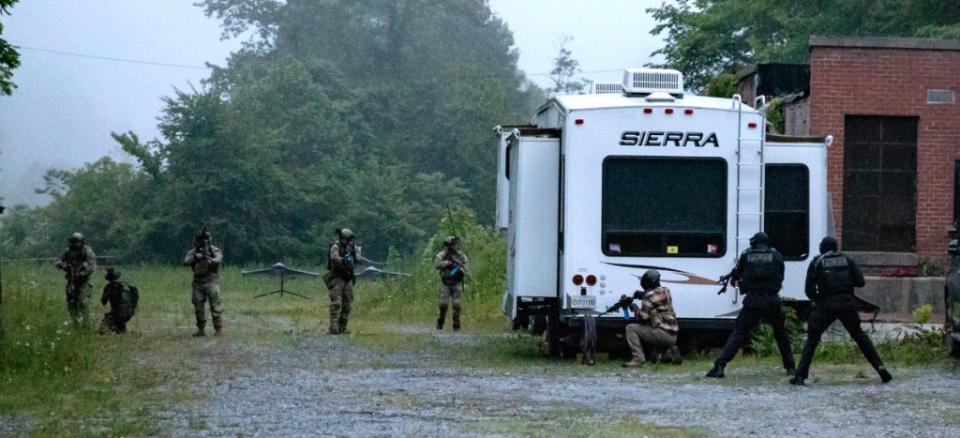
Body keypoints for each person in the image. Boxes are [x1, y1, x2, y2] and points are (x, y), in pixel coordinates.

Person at [791, 237, 892, 385]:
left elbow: (808, 290)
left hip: (826, 304)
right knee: (860, 337)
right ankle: (881, 368)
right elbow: (860, 282)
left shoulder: (817, 262)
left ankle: (800, 375)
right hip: (847, 304)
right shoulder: (847, 260)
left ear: (822, 248)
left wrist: (820, 300)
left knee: (812, 339)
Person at [707, 232, 795, 378]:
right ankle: (791, 367)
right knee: (781, 335)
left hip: (752, 301)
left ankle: (720, 365)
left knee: (738, 333)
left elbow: (737, 275)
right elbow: (781, 276)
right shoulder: (777, 256)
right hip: (772, 301)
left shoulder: (746, 255)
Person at [623, 270, 681, 367]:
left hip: (661, 334)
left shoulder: (648, 297)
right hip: (673, 336)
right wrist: (643, 295)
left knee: (630, 328)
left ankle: (638, 359)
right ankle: (670, 353)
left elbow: (643, 318)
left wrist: (635, 308)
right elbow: (655, 298)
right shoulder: (666, 290)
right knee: (654, 358)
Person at [183, 228, 224, 337]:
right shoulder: (194, 251)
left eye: (205, 240)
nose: (203, 242)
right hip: (198, 283)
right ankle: (201, 329)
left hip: (211, 281)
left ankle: (218, 329)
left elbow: (219, 259)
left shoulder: (214, 250)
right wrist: (196, 257)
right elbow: (186, 262)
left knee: (215, 306)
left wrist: (210, 259)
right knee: (198, 307)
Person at [54, 232, 97, 327]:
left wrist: (82, 273)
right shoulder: (67, 251)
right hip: (71, 281)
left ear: (82, 242)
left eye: (78, 242)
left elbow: (92, 266)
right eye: (75, 242)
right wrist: (64, 266)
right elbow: (58, 261)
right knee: (72, 303)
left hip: (83, 281)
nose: (76, 244)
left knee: (83, 302)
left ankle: (86, 325)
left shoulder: (87, 251)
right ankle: (75, 324)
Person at [324, 228, 361, 335]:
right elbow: (334, 258)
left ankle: (342, 327)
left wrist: (356, 256)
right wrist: (343, 259)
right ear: (342, 238)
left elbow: (359, 259)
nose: (349, 241)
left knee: (347, 303)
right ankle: (333, 328)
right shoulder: (335, 246)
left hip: (348, 278)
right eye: (347, 239)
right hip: (337, 277)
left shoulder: (353, 247)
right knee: (336, 302)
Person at [434, 236, 469, 331]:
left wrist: (458, 269)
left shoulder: (461, 256)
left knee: (457, 305)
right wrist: (447, 264)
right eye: (449, 246)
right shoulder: (442, 255)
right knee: (443, 304)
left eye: (453, 245)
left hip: (456, 283)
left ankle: (456, 324)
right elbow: (437, 264)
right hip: (445, 282)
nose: (451, 247)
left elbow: (465, 269)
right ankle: (440, 322)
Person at [98, 268, 139, 334]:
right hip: (129, 313)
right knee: (119, 327)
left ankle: (118, 327)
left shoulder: (110, 286)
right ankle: (121, 327)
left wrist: (108, 290)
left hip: (117, 313)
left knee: (102, 330)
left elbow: (103, 302)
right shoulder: (126, 284)